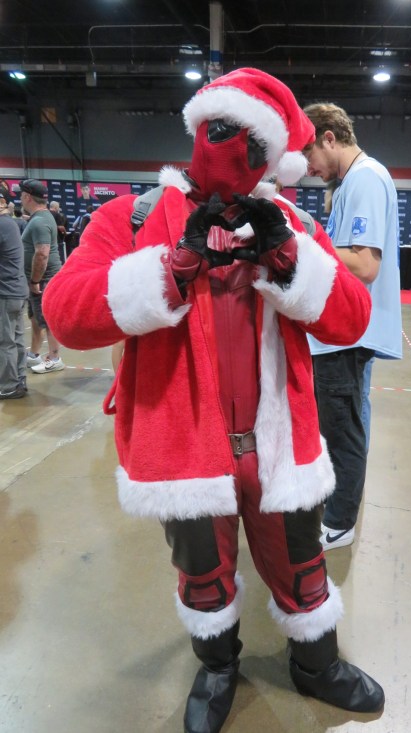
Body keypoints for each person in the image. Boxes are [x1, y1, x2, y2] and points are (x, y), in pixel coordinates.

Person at [42, 68, 385, 732]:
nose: (230, 147)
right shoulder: (135, 217)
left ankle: (316, 664)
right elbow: (64, 312)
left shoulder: (287, 222)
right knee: (203, 573)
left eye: (250, 139)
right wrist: (165, 270)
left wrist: (290, 261)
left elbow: (351, 317)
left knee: (304, 567)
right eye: (221, 130)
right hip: (184, 448)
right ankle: (219, 664)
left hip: (279, 443)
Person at [302, 102, 402, 551]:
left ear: (328, 137)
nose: (308, 169)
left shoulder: (365, 178)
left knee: (342, 427)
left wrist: (302, 243)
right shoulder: (351, 184)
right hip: (340, 331)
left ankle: (339, 522)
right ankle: (338, 507)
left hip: (348, 332)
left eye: (309, 157)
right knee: (339, 423)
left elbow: (363, 264)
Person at [18, 179, 65, 373]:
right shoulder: (41, 218)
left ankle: (54, 358)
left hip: (43, 280)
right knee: (35, 317)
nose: (20, 198)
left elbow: (42, 253)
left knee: (47, 318)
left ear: (27, 197)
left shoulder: (39, 222)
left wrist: (35, 281)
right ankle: (35, 354)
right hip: (38, 280)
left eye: (21, 195)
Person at [0, 200, 28, 399]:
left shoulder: (2, 224)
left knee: (5, 342)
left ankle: (8, 386)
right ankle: (19, 380)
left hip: (6, 291)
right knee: (16, 339)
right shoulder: (10, 223)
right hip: (17, 289)